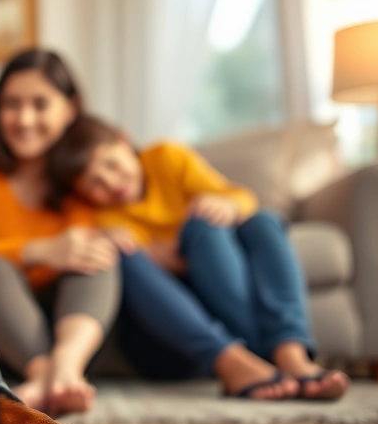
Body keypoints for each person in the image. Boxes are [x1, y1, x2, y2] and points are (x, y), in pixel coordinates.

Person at [52, 114, 350, 400]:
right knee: (120, 250)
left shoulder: (166, 157)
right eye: (95, 184)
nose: (112, 184)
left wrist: (226, 206)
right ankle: (236, 359)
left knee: (259, 221)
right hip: (175, 328)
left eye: (112, 165)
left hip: (217, 281)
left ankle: (290, 352)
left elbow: (240, 199)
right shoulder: (98, 216)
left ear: (124, 141)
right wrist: (148, 253)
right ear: (81, 192)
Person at [0, 50, 120, 416]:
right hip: (3, 323)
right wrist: (42, 250)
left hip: (75, 320)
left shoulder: (86, 171)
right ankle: (45, 372)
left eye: (40, 104)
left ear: (70, 108)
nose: (24, 119)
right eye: (12, 104)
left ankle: (65, 367)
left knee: (98, 253)